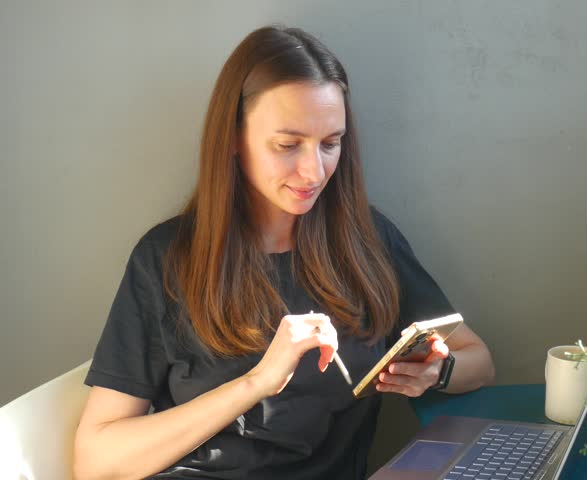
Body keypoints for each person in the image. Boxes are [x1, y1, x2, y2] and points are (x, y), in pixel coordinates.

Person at [72, 26, 495, 479]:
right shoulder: (166, 259)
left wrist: (438, 372)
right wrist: (256, 382)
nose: (314, 171)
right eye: (288, 145)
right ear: (234, 138)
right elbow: (96, 463)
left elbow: (478, 360)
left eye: (331, 143)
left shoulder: (366, 241)